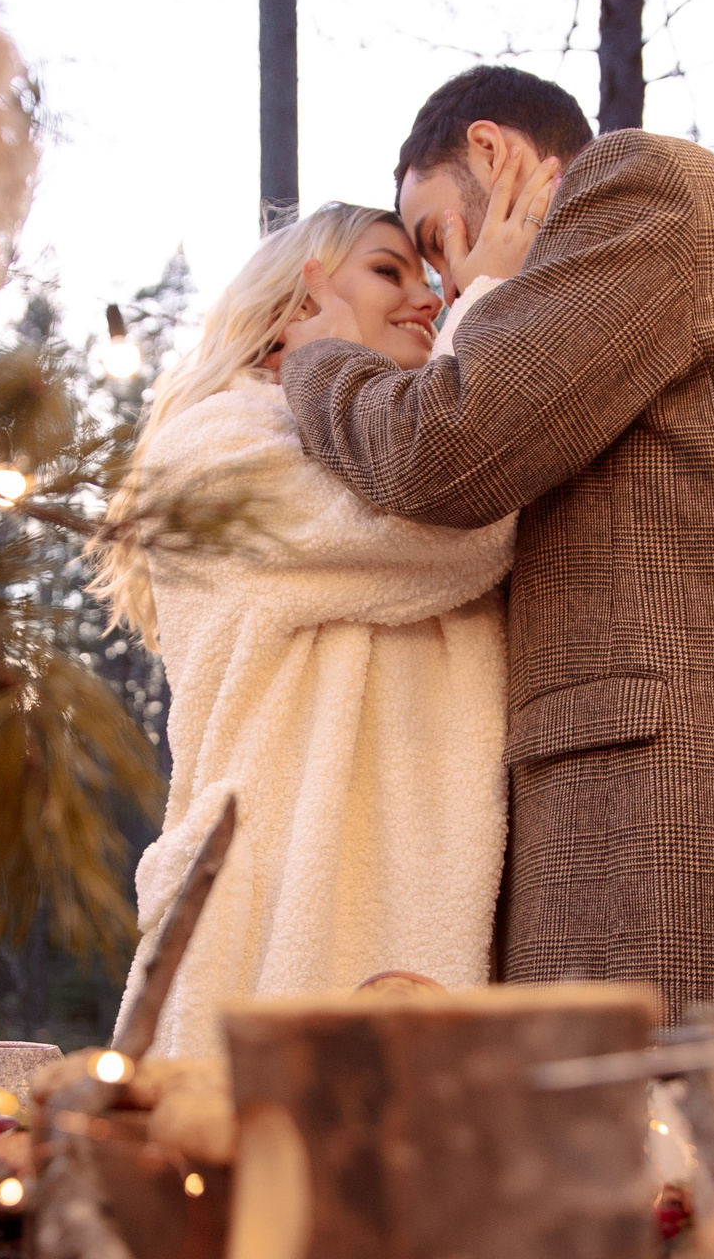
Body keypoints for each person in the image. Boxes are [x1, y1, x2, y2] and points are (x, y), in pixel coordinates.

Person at [278, 65, 714, 1043]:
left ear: (492, 150)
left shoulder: (637, 188)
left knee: (658, 1180)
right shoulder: (694, 241)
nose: (446, 284)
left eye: (435, 235)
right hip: (696, 825)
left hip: (663, 838)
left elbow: (444, 449)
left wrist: (315, 360)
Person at [93, 204, 515, 1058]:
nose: (428, 300)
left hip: (411, 897)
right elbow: (460, 520)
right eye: (390, 271)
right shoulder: (215, 443)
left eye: (433, 285)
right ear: (296, 302)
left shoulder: (362, 442)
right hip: (282, 898)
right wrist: (493, 301)